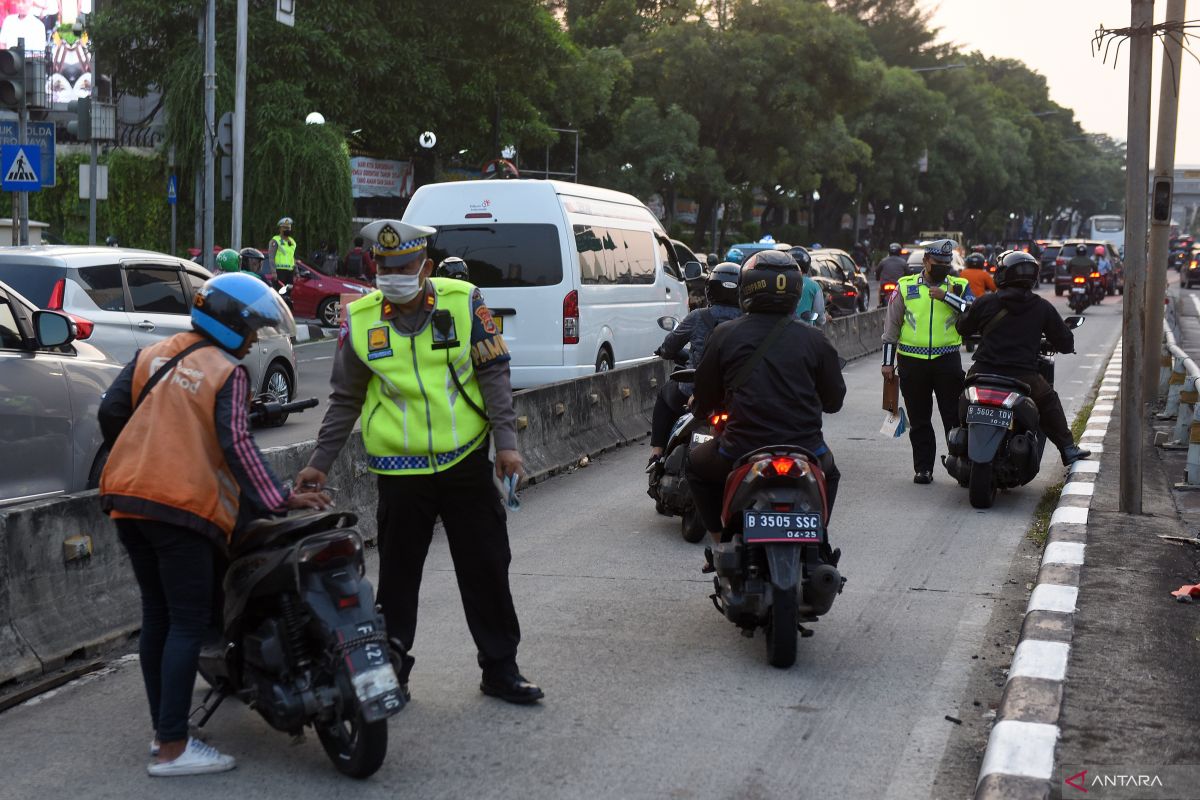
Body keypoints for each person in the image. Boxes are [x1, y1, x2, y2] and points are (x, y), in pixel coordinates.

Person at [294, 219, 542, 705]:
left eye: (404, 267)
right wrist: (319, 462)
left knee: (487, 566)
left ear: (425, 266)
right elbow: (345, 398)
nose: (393, 275)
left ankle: (500, 668)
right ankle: (392, 670)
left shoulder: (464, 301)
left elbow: (494, 374)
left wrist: (507, 444)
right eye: (384, 267)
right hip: (399, 473)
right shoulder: (361, 319)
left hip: (466, 462)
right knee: (398, 577)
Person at [97, 273, 331, 777]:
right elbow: (239, 447)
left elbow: (110, 412)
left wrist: (146, 450)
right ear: (230, 324)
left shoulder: (153, 355)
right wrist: (279, 499)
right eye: (250, 330)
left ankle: (166, 730)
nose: (252, 341)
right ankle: (174, 749)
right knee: (185, 622)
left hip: (127, 498)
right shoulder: (227, 372)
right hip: (180, 505)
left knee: (157, 616)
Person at [686, 249, 846, 543]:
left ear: (747, 289)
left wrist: (702, 407)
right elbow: (835, 401)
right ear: (797, 292)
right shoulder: (815, 340)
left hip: (738, 448)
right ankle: (818, 535)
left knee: (695, 466)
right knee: (831, 474)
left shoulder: (724, 335)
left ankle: (719, 538)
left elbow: (705, 397)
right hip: (807, 449)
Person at [955, 251, 1091, 465]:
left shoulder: (986, 303)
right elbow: (1065, 342)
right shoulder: (1041, 307)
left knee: (961, 397)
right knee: (1048, 402)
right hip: (1023, 376)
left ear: (1002, 275)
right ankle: (1068, 449)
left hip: (982, 372)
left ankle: (959, 445)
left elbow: (963, 328)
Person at [880, 239, 972, 484]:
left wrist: (946, 297)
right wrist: (888, 363)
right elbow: (891, 327)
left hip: (947, 360)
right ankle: (923, 469)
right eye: (937, 262)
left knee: (954, 417)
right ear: (925, 262)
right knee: (919, 419)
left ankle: (963, 468)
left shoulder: (959, 286)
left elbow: (973, 311)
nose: (942, 266)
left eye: (946, 262)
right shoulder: (905, 286)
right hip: (911, 361)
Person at [648, 262, 742, 467]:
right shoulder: (748, 322)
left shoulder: (698, 317)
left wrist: (665, 352)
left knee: (665, 395)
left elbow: (670, 346)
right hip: (735, 394)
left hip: (695, 389)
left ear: (710, 289)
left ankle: (657, 454)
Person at [792, 247, 826, 325]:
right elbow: (820, 317)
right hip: (805, 332)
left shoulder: (781, 283)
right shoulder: (814, 286)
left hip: (782, 332)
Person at [267, 217, 297, 286]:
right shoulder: (275, 240)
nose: (288, 230)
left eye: (289, 228)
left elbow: (293, 257)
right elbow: (271, 257)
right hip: (279, 272)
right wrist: (273, 272)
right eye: (285, 228)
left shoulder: (292, 241)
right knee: (280, 293)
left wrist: (296, 272)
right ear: (280, 229)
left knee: (288, 293)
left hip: (290, 272)